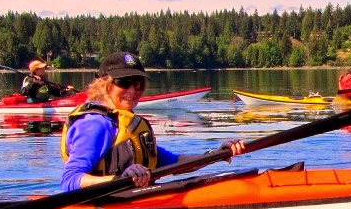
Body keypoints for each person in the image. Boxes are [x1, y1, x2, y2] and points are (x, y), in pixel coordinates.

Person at [60, 52, 245, 192]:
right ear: (104, 84)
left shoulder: (128, 124)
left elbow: (174, 163)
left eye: (138, 83)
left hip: (133, 199)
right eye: (124, 82)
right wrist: (119, 178)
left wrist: (218, 154)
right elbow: (70, 180)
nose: (133, 90)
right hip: (104, 208)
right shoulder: (94, 124)